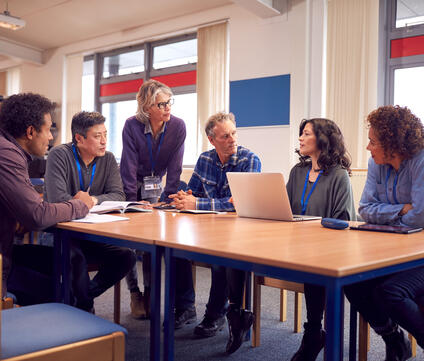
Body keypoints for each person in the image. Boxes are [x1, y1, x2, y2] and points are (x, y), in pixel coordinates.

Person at [345, 105, 424, 361]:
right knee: (354, 282)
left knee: (391, 292)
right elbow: (365, 210)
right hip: (402, 252)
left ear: (393, 142)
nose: (368, 148)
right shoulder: (376, 164)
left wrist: (391, 214)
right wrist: (404, 210)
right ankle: (394, 340)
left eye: (372, 141)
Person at [170, 111, 262, 354]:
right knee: (173, 247)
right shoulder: (205, 159)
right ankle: (184, 307)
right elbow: (194, 192)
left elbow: (239, 203)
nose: (232, 139)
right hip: (208, 228)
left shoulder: (250, 160)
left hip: (240, 233)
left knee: (223, 257)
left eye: (234, 133)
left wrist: (197, 204)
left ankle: (215, 314)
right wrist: (185, 197)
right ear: (212, 140)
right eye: (225, 136)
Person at [0, 93, 90, 300]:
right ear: (30, 131)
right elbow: (37, 214)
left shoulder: (0, 145)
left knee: (70, 260)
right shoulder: (4, 154)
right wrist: (79, 205)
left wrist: (18, 216)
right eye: (48, 129)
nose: (51, 137)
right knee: (63, 291)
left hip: (4, 252)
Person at [44, 111, 136, 311]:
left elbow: (119, 196)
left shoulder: (108, 159)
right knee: (75, 259)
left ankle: (84, 297)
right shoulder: (59, 155)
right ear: (79, 138)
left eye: (105, 134)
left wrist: (91, 200)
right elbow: (57, 199)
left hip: (92, 232)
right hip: (61, 232)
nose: (104, 141)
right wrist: (83, 204)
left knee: (126, 255)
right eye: (97, 136)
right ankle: (83, 306)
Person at [120, 79, 195, 322]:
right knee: (129, 242)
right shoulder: (131, 126)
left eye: (169, 102)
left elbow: (175, 166)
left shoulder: (178, 127)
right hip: (131, 185)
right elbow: (128, 166)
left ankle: (151, 292)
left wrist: (168, 198)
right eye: (161, 104)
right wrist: (132, 203)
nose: (167, 108)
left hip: (156, 186)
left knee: (152, 240)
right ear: (146, 107)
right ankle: (134, 292)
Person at [286, 118, 356, 361]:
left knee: (315, 267)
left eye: (306, 134)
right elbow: (284, 208)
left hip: (329, 250)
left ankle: (314, 332)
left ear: (323, 139)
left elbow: (344, 220)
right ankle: (314, 333)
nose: (301, 139)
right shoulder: (297, 172)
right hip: (297, 244)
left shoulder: (338, 175)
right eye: (301, 134)